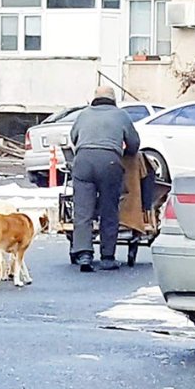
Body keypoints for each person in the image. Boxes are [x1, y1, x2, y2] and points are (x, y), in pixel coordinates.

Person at [69, 87, 140, 272]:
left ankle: (84, 254)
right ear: (113, 100)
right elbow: (133, 144)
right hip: (110, 162)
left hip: (83, 161)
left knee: (83, 210)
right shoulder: (121, 115)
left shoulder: (83, 115)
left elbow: (74, 137)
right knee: (109, 209)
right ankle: (107, 257)